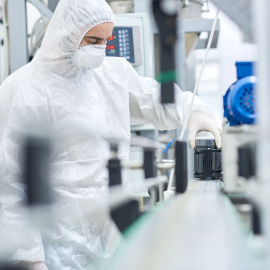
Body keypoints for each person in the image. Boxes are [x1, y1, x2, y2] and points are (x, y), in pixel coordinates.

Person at [0, 0, 222, 269]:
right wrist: (30, 259)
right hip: (56, 249)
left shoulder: (111, 74)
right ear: (65, 33)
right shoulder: (23, 89)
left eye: (105, 41)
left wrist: (193, 110)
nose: (100, 51)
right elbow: (10, 185)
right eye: (93, 40)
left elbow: (154, 99)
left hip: (112, 241)